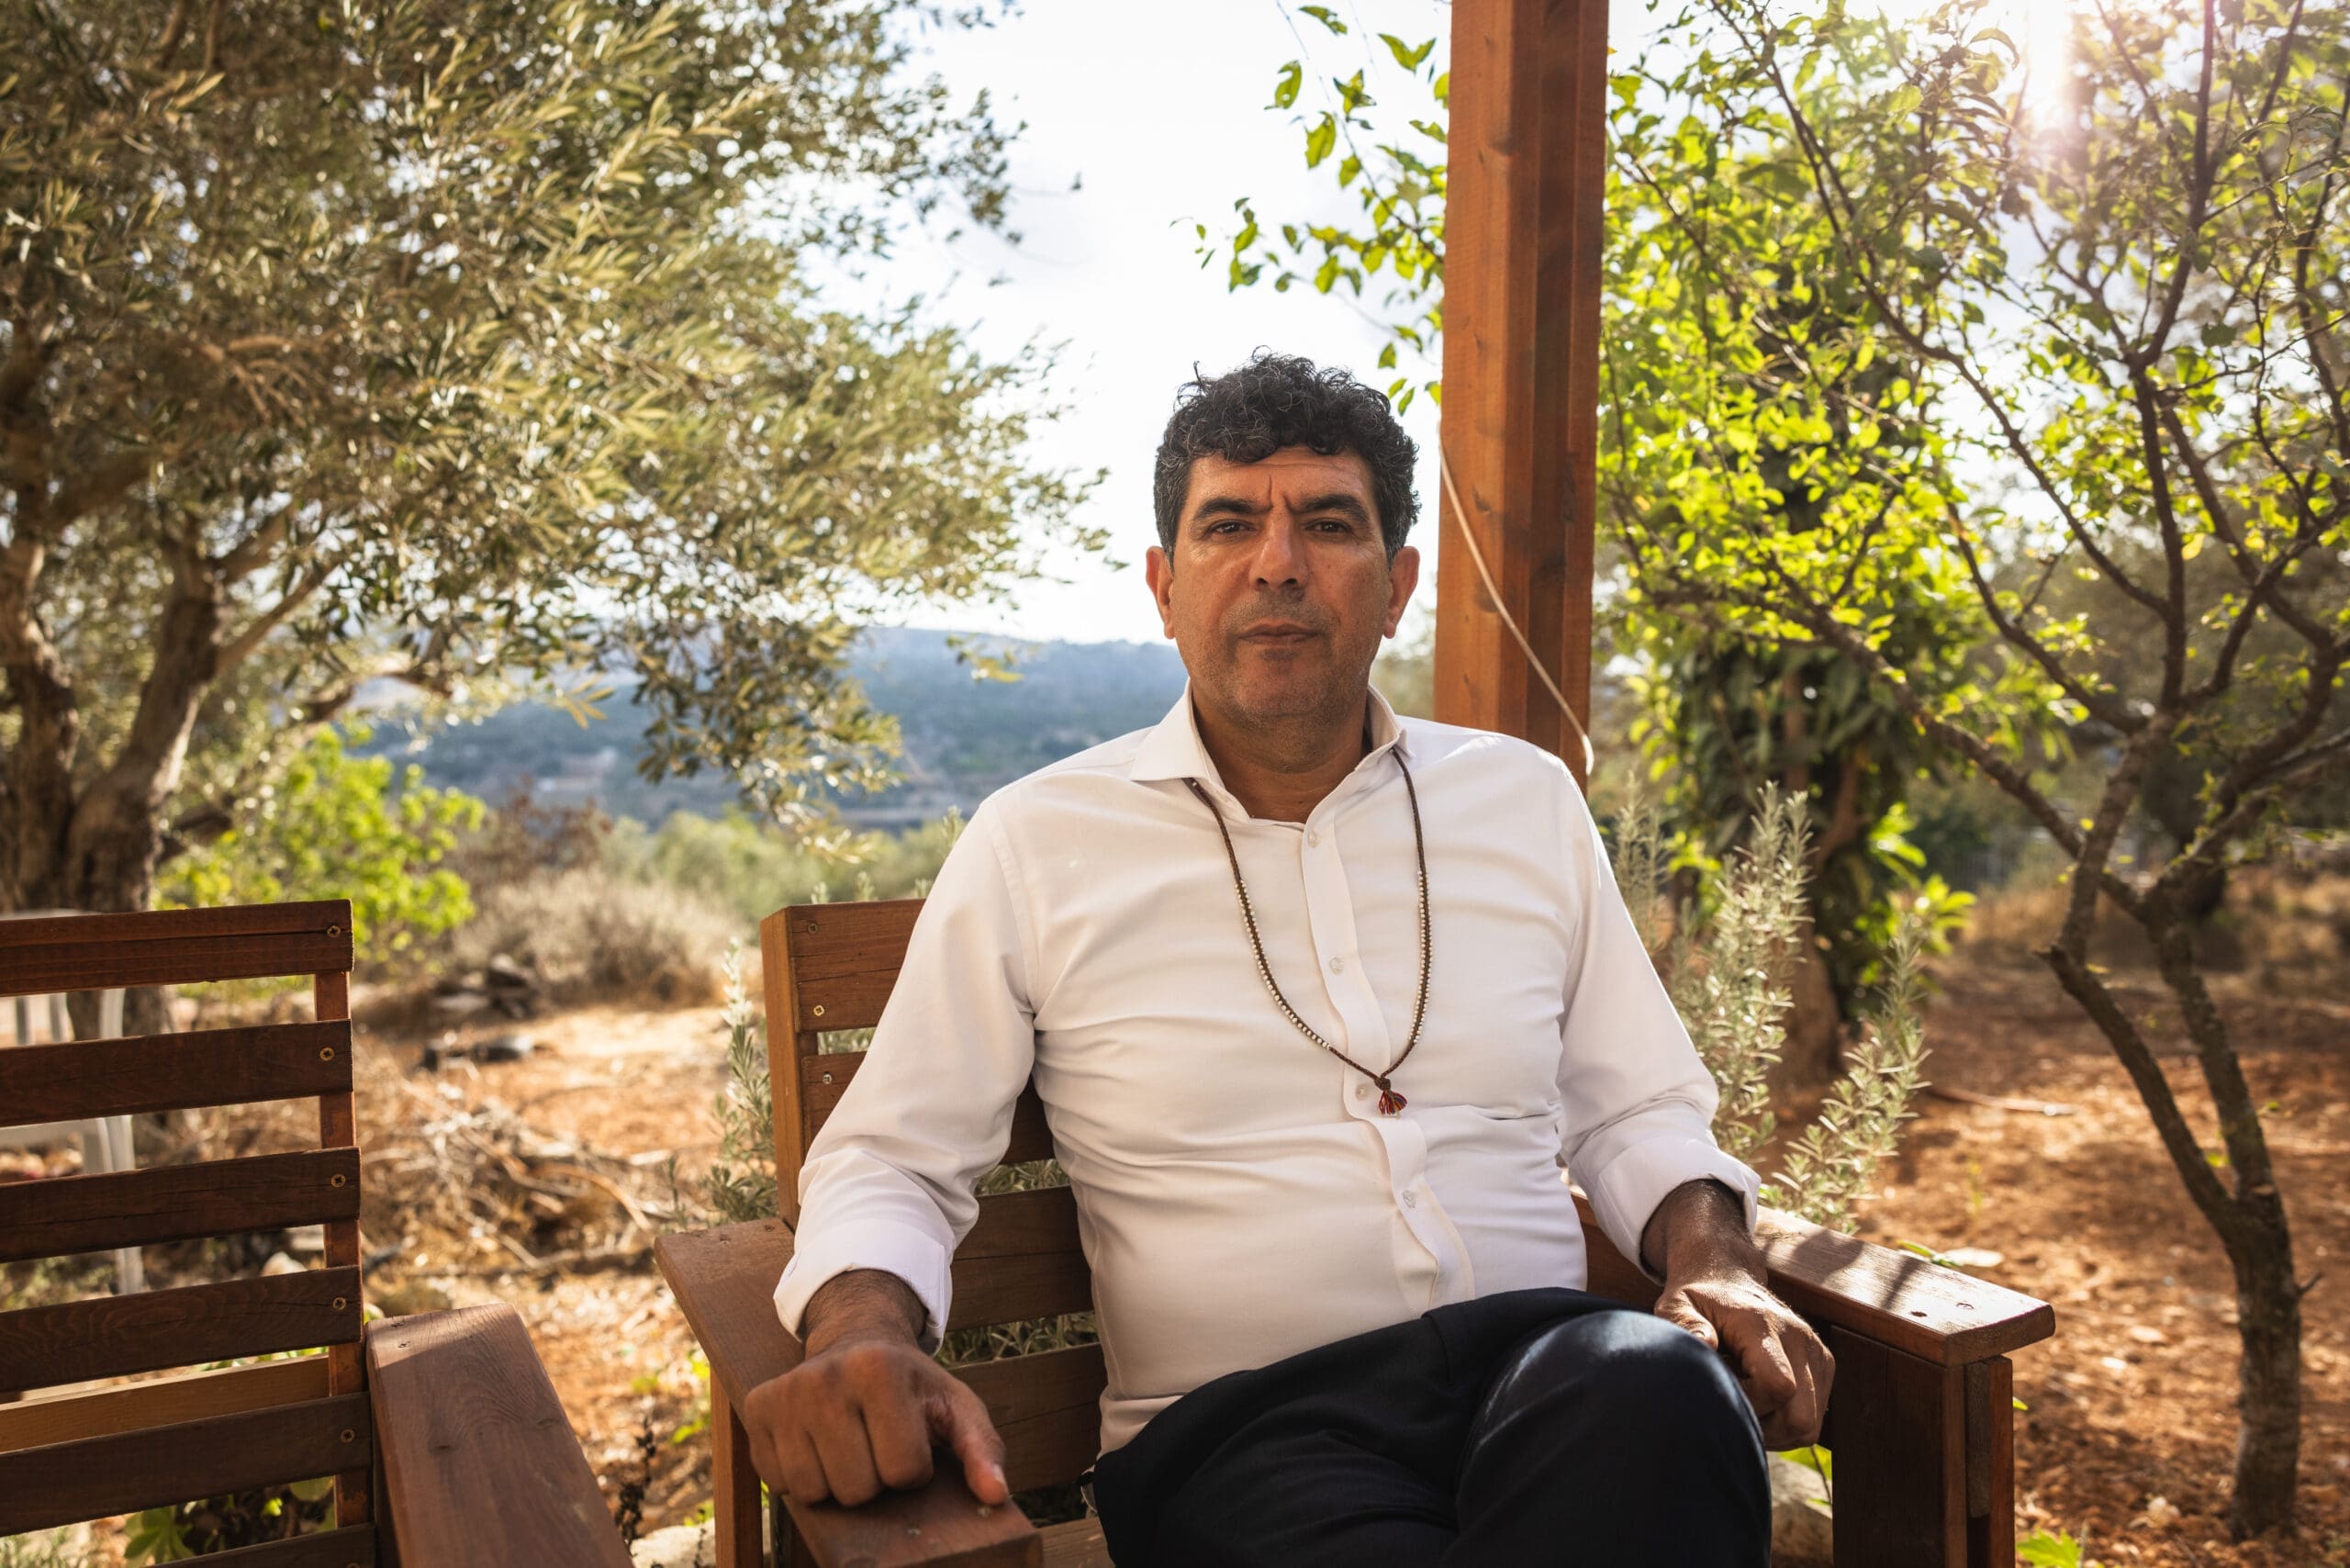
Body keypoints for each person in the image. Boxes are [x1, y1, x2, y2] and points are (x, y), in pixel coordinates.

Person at [741, 352, 1831, 1566]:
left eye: (1328, 522)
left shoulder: (1522, 801)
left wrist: (1720, 1260)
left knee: (1665, 1388)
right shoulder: (1039, 842)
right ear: (1164, 586)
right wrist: (855, 1330)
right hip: (1239, 1435)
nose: (1277, 564)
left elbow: (1639, 1109)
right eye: (1228, 524)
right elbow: (895, 1157)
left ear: (1398, 583)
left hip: (1550, 1377)